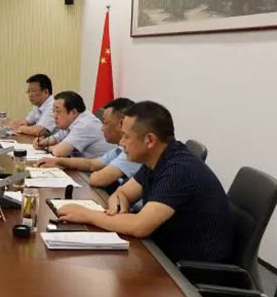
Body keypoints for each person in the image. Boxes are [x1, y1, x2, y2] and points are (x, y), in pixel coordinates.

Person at [57, 101, 234, 264]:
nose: (121, 142)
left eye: (127, 136)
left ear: (150, 140)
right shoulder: (157, 158)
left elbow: (139, 226)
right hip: (161, 253)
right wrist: (118, 207)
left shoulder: (178, 169)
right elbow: (123, 193)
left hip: (187, 271)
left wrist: (88, 215)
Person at [37, 97, 140, 189]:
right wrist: (57, 161)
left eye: (105, 123)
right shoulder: (120, 149)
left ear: (121, 124)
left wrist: (96, 173)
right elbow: (91, 164)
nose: (102, 128)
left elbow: (97, 179)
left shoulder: (132, 150)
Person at [33, 91, 113, 159]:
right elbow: (56, 138)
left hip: (98, 169)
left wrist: (46, 147)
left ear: (73, 112)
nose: (55, 116)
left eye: (58, 111)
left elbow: (59, 152)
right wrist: (41, 142)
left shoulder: (85, 124)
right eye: (53, 111)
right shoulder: (72, 121)